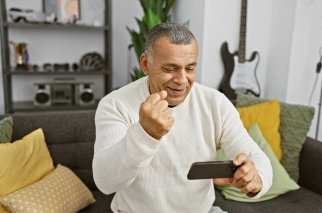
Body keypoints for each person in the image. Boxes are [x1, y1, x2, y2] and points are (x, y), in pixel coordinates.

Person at [93, 22, 272, 213]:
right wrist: (145, 134)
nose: (181, 80)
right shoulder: (115, 104)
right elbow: (105, 182)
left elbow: (255, 156)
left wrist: (255, 179)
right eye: (170, 69)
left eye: (190, 68)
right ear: (145, 64)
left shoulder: (215, 103)